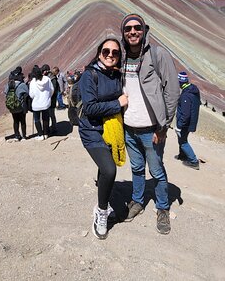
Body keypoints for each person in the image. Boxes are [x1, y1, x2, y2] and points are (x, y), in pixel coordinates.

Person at [120, 13, 180, 235]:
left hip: (152, 130)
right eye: (128, 29)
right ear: (123, 33)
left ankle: (162, 207)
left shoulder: (157, 55)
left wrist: (163, 126)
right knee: (136, 168)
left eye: (137, 28)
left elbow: (172, 90)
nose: (133, 32)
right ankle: (137, 201)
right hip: (129, 128)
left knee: (156, 171)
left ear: (144, 30)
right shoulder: (123, 58)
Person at [79, 38, 127, 239]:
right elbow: (89, 108)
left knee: (104, 166)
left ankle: (103, 193)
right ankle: (101, 211)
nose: (110, 55)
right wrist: (117, 103)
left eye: (115, 52)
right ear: (99, 53)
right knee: (109, 169)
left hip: (111, 129)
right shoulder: (89, 76)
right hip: (92, 130)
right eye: (106, 51)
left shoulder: (116, 75)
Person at [174, 71, 201, 170]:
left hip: (185, 124)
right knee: (182, 139)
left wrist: (179, 126)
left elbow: (186, 114)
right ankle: (182, 155)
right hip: (189, 122)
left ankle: (193, 161)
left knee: (183, 142)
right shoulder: (191, 90)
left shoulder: (186, 95)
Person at [4, 67, 29, 140]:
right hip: (20, 106)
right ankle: (24, 136)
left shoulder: (8, 85)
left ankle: (17, 136)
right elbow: (27, 93)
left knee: (15, 121)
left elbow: (5, 93)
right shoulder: (22, 85)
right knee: (22, 121)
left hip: (12, 107)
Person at [29, 65, 53, 140]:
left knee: (37, 119)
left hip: (36, 104)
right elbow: (51, 90)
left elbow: (31, 94)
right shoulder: (47, 79)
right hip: (45, 103)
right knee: (45, 118)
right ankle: (46, 134)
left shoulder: (33, 82)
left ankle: (40, 134)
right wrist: (48, 97)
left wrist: (35, 98)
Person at [45, 64, 59, 134]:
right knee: (51, 114)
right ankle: (53, 128)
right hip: (51, 99)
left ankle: (51, 128)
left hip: (48, 100)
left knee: (49, 114)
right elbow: (53, 90)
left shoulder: (49, 78)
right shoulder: (53, 79)